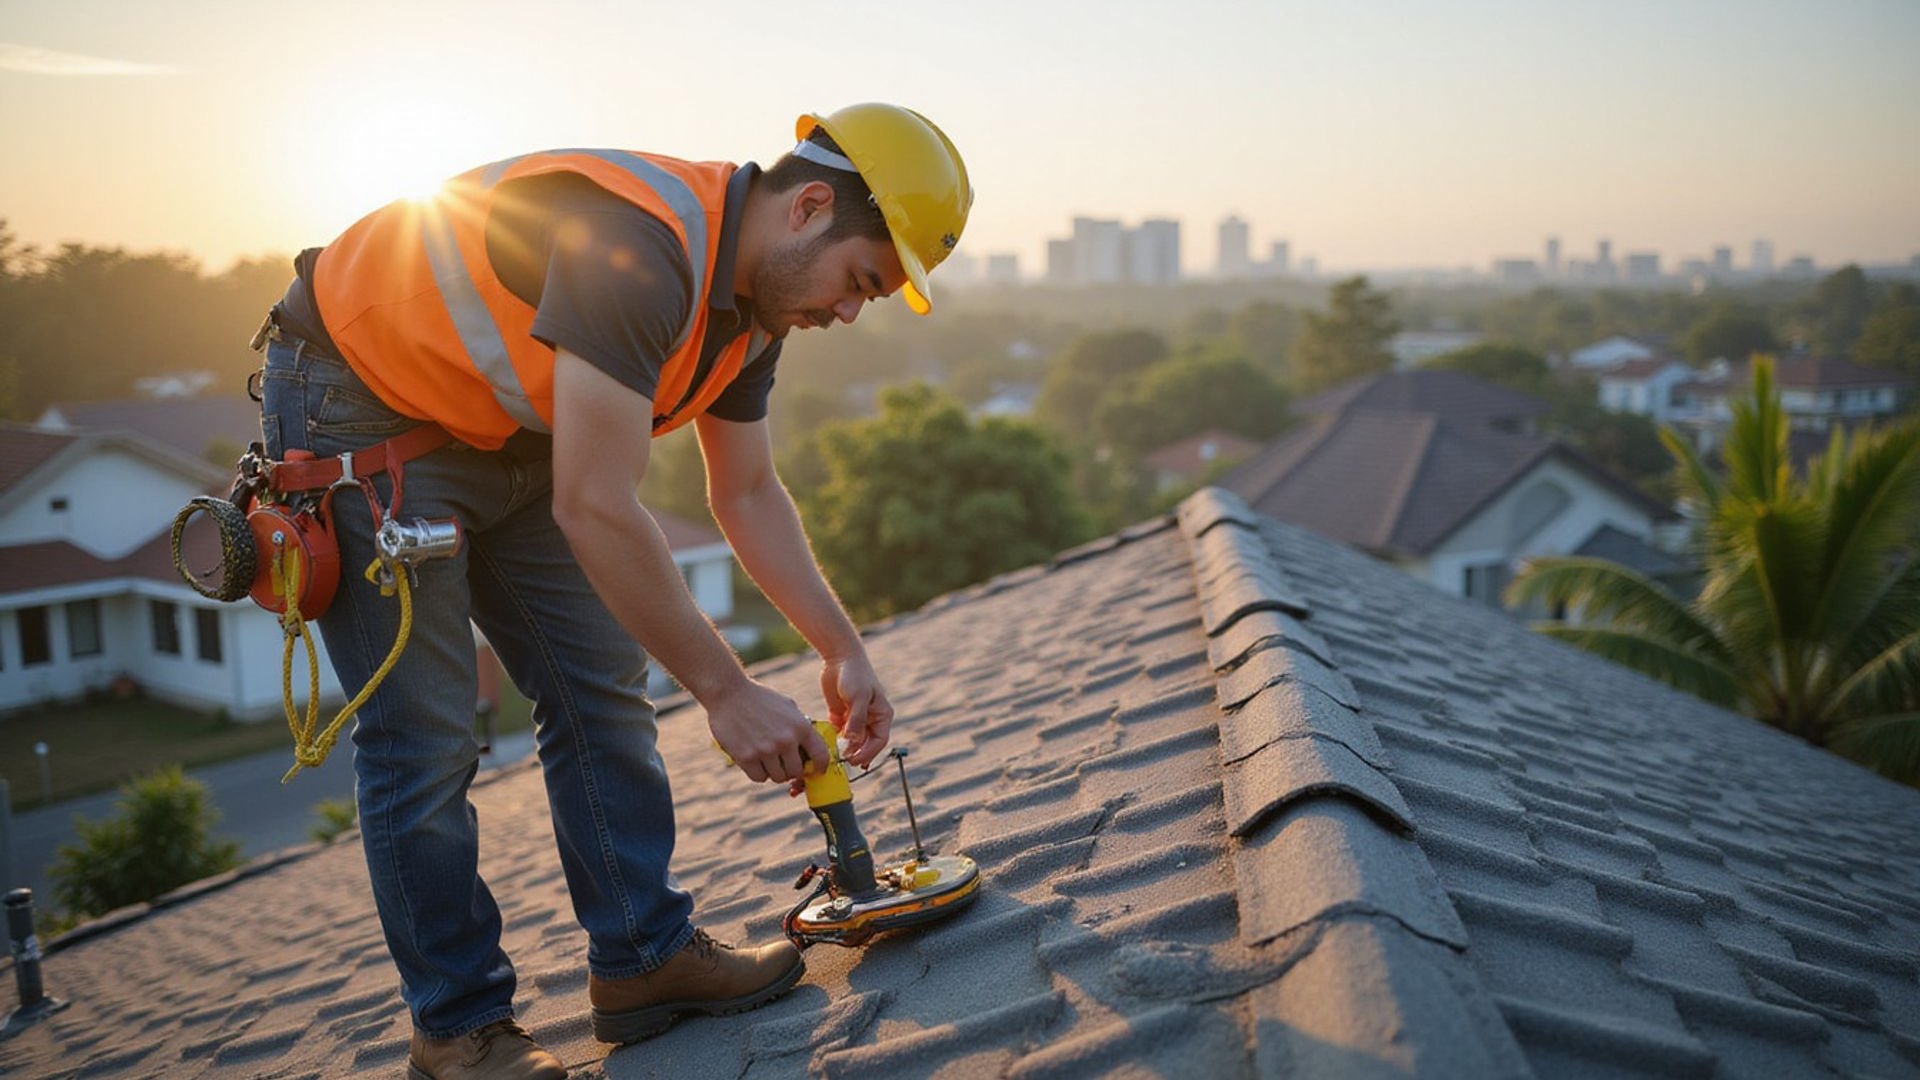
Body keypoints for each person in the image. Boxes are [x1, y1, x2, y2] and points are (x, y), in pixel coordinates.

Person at [254, 104, 971, 1079]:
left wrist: (842, 648)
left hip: (503, 430)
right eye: (859, 282)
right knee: (423, 739)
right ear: (808, 207)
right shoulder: (643, 249)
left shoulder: (753, 312)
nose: (848, 313)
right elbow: (595, 503)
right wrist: (726, 691)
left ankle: (643, 959)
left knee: (600, 685)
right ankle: (458, 1030)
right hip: (358, 401)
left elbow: (747, 492)